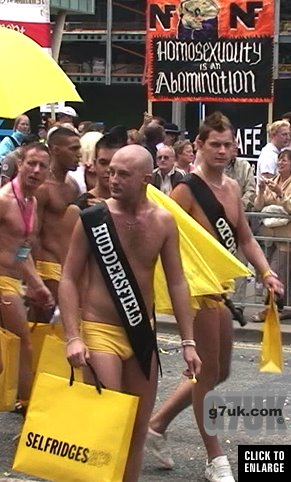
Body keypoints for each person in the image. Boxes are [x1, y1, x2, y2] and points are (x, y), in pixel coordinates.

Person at [147, 112, 283, 482]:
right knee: (206, 372)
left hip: (223, 288)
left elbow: (245, 237)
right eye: (215, 144)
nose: (223, 151)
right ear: (200, 147)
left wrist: (266, 272)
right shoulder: (186, 191)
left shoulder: (233, 189)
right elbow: (166, 239)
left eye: (228, 144)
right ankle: (214, 459)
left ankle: (156, 424)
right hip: (197, 291)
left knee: (220, 371)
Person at [58, 144, 202, 482]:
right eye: (111, 172)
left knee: (138, 430)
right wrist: (73, 336)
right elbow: (68, 277)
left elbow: (178, 283)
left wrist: (189, 341)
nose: (113, 179)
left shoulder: (164, 221)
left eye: (123, 174)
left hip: (141, 331)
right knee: (107, 426)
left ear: (146, 179)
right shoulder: (92, 219)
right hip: (98, 330)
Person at [0, 143, 54, 410]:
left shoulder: (30, 201)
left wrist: (38, 285)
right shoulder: (4, 200)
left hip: (12, 280)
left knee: (17, 345)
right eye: (31, 163)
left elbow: (21, 251)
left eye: (42, 165)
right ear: (19, 163)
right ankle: (28, 403)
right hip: (1, 284)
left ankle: (24, 401)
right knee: (22, 342)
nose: (36, 170)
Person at [29, 127, 81, 322]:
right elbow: (32, 234)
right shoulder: (42, 188)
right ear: (55, 150)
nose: (78, 154)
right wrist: (33, 281)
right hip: (46, 267)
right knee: (39, 330)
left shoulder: (73, 185)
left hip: (68, 266)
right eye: (73, 149)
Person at [252, 148, 291, 321]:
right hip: (268, 237)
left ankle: (273, 308)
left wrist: (280, 193)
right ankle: (279, 308)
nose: (281, 162)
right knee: (267, 272)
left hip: (285, 237)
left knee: (277, 271)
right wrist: (261, 190)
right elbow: (258, 207)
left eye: (286, 160)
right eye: (280, 159)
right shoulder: (272, 180)